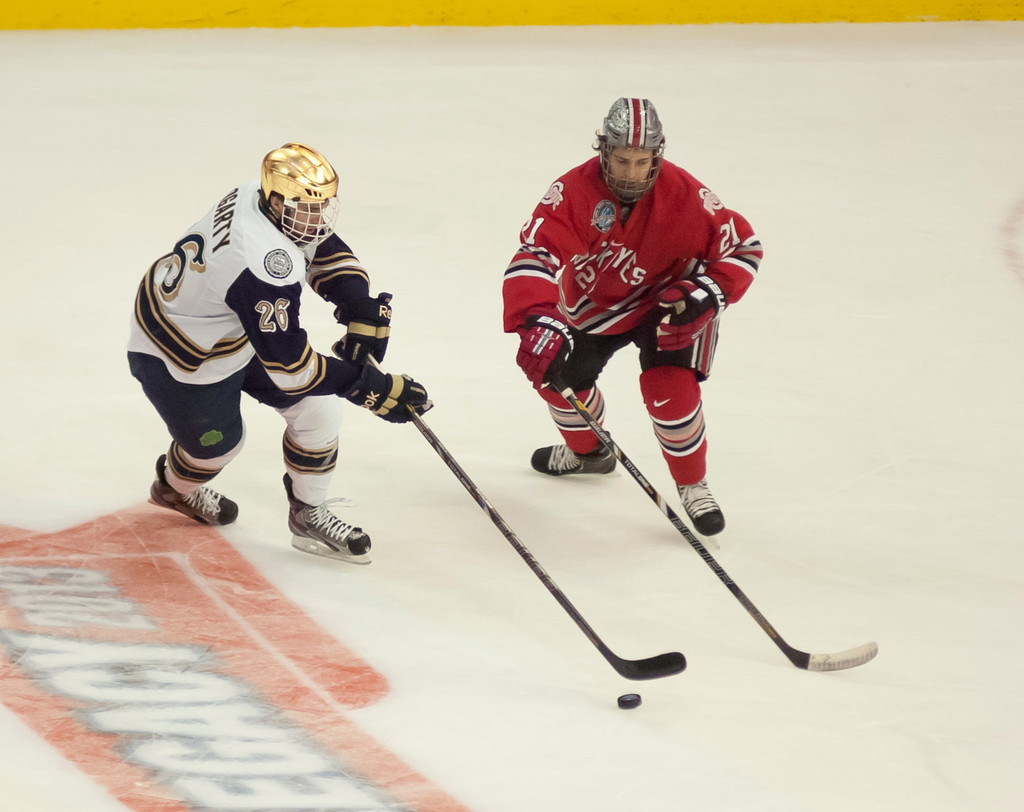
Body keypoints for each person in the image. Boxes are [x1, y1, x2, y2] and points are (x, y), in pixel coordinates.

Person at [128, 142, 431, 564]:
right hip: (179, 356)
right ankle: (171, 488)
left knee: (321, 411)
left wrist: (357, 302)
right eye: (309, 209)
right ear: (276, 202)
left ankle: (308, 513)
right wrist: (366, 385)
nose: (319, 219)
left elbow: (318, 246)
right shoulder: (263, 264)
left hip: (229, 327)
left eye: (323, 206)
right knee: (218, 448)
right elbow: (292, 368)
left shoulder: (258, 195)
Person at [502, 98, 763, 536]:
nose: (631, 172)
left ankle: (692, 484)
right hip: (596, 303)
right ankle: (591, 455)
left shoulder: (686, 195)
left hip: (671, 302)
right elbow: (534, 254)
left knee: (668, 389)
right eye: (622, 160)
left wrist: (708, 293)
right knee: (559, 382)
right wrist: (537, 317)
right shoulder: (572, 191)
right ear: (604, 151)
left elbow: (744, 247)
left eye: (642, 161)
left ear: (657, 156)